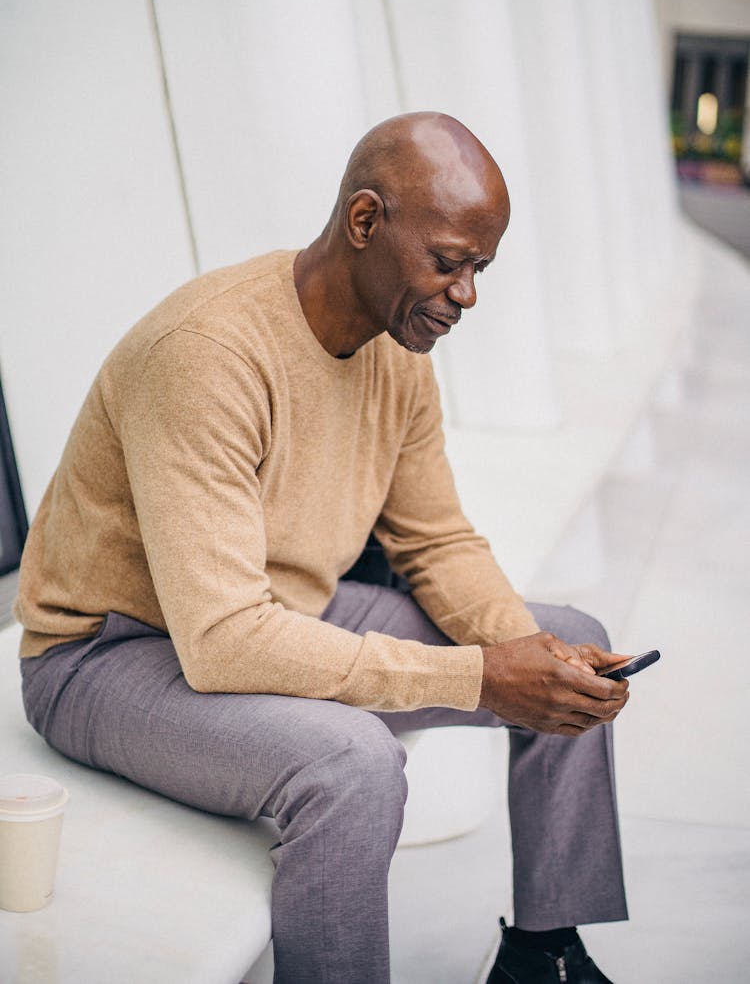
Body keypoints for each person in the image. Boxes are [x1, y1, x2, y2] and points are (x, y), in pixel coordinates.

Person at [16, 112, 630, 984]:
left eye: (480, 269)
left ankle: (543, 958)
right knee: (354, 766)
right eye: (449, 262)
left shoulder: (400, 347)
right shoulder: (208, 354)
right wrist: (482, 675)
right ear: (366, 221)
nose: (467, 294)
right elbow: (224, 639)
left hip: (281, 609)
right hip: (112, 653)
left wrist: (521, 649)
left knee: (568, 639)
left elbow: (437, 538)